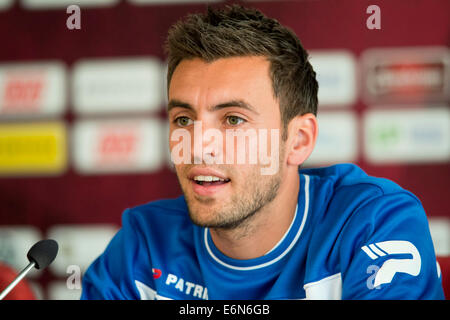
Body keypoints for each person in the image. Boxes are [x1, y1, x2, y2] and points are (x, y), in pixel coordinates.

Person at [80, 5, 444, 300]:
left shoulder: (372, 223)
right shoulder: (144, 243)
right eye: (184, 119)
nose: (198, 145)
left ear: (298, 140)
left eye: (233, 120)